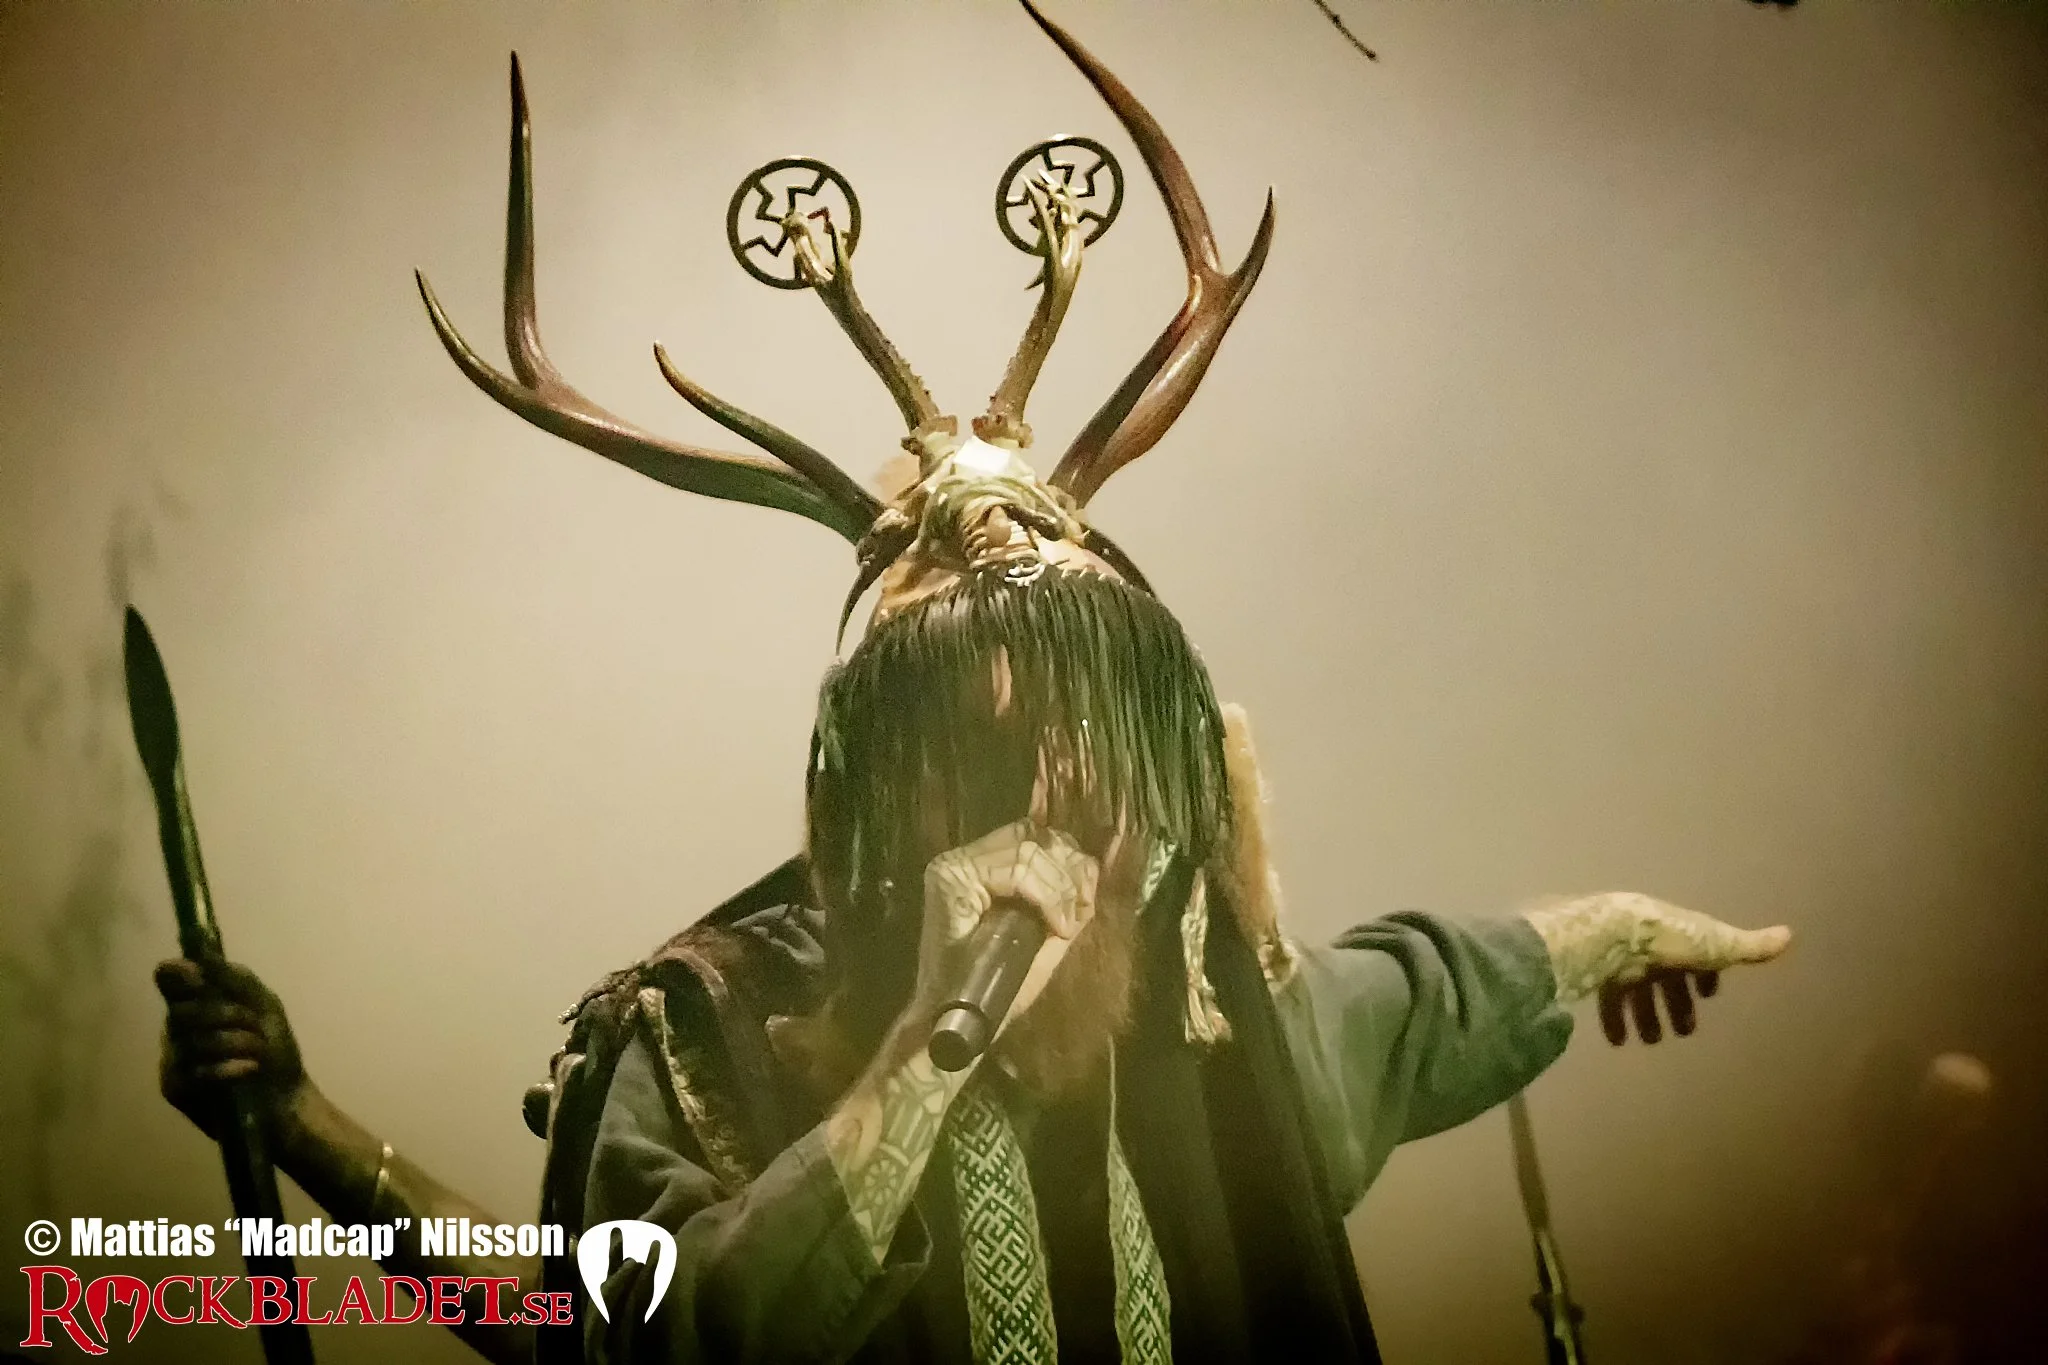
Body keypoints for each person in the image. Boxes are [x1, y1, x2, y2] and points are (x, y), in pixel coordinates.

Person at [155, 5, 1792, 1362]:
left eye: (1077, 690)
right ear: (886, 734)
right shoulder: (712, 1020)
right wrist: (306, 1124)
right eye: (979, 687)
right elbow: (615, 1329)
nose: (1043, 745)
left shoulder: (1204, 995)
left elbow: (1426, 999)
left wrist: (1623, 930)